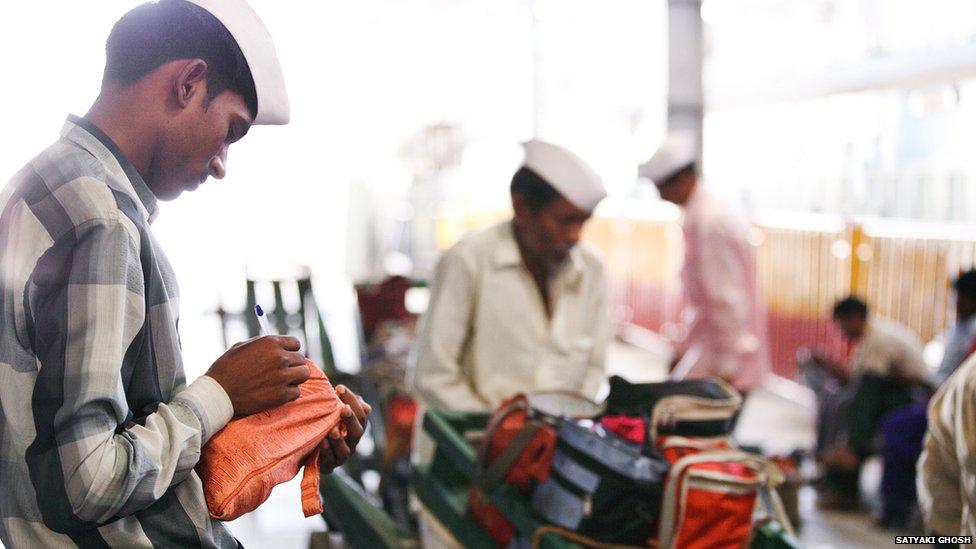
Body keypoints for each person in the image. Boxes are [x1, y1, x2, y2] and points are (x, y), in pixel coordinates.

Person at [0, 1, 369, 546]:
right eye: (230, 131)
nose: (221, 163)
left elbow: (85, 442)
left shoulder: (39, 187)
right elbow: (86, 482)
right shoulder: (101, 219)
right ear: (190, 83)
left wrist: (272, 430)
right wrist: (219, 392)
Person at [411, 139, 610, 411]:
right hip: (466, 444)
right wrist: (502, 432)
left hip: (553, 445)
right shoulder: (468, 260)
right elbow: (433, 377)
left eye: (582, 222)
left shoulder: (591, 269)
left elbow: (594, 370)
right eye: (565, 220)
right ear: (522, 208)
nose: (575, 235)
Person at [638, 131, 770, 394]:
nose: (659, 194)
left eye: (662, 186)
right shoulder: (704, 214)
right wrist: (682, 348)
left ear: (684, 178)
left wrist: (728, 366)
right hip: (713, 351)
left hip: (724, 361)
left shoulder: (709, 223)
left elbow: (725, 298)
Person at [803, 296, 926, 509]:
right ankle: (837, 470)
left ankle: (849, 455)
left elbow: (865, 385)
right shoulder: (869, 338)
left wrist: (828, 364)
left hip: (912, 398)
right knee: (836, 400)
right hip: (887, 395)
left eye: (840, 324)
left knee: (851, 403)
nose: (840, 331)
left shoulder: (880, 339)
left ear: (854, 318)